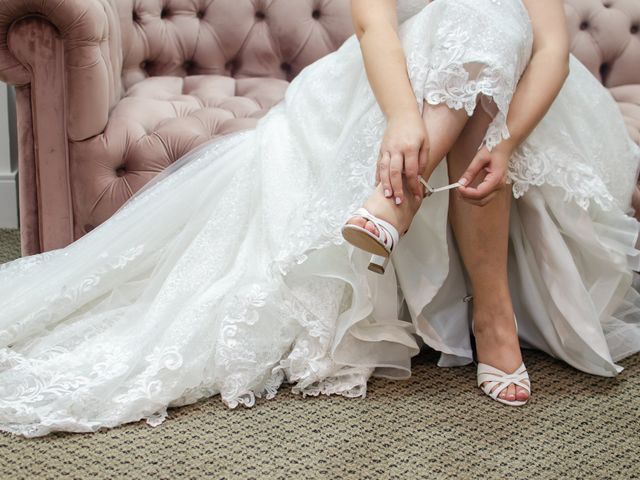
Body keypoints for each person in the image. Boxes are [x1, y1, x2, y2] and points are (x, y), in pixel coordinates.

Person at [0, 0, 639, 437]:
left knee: (488, 18)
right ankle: (490, 317)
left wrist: (506, 144)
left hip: (526, 106)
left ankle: (394, 204)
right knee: (466, 25)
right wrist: (404, 120)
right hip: (391, 89)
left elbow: (553, 49)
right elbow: (375, 30)